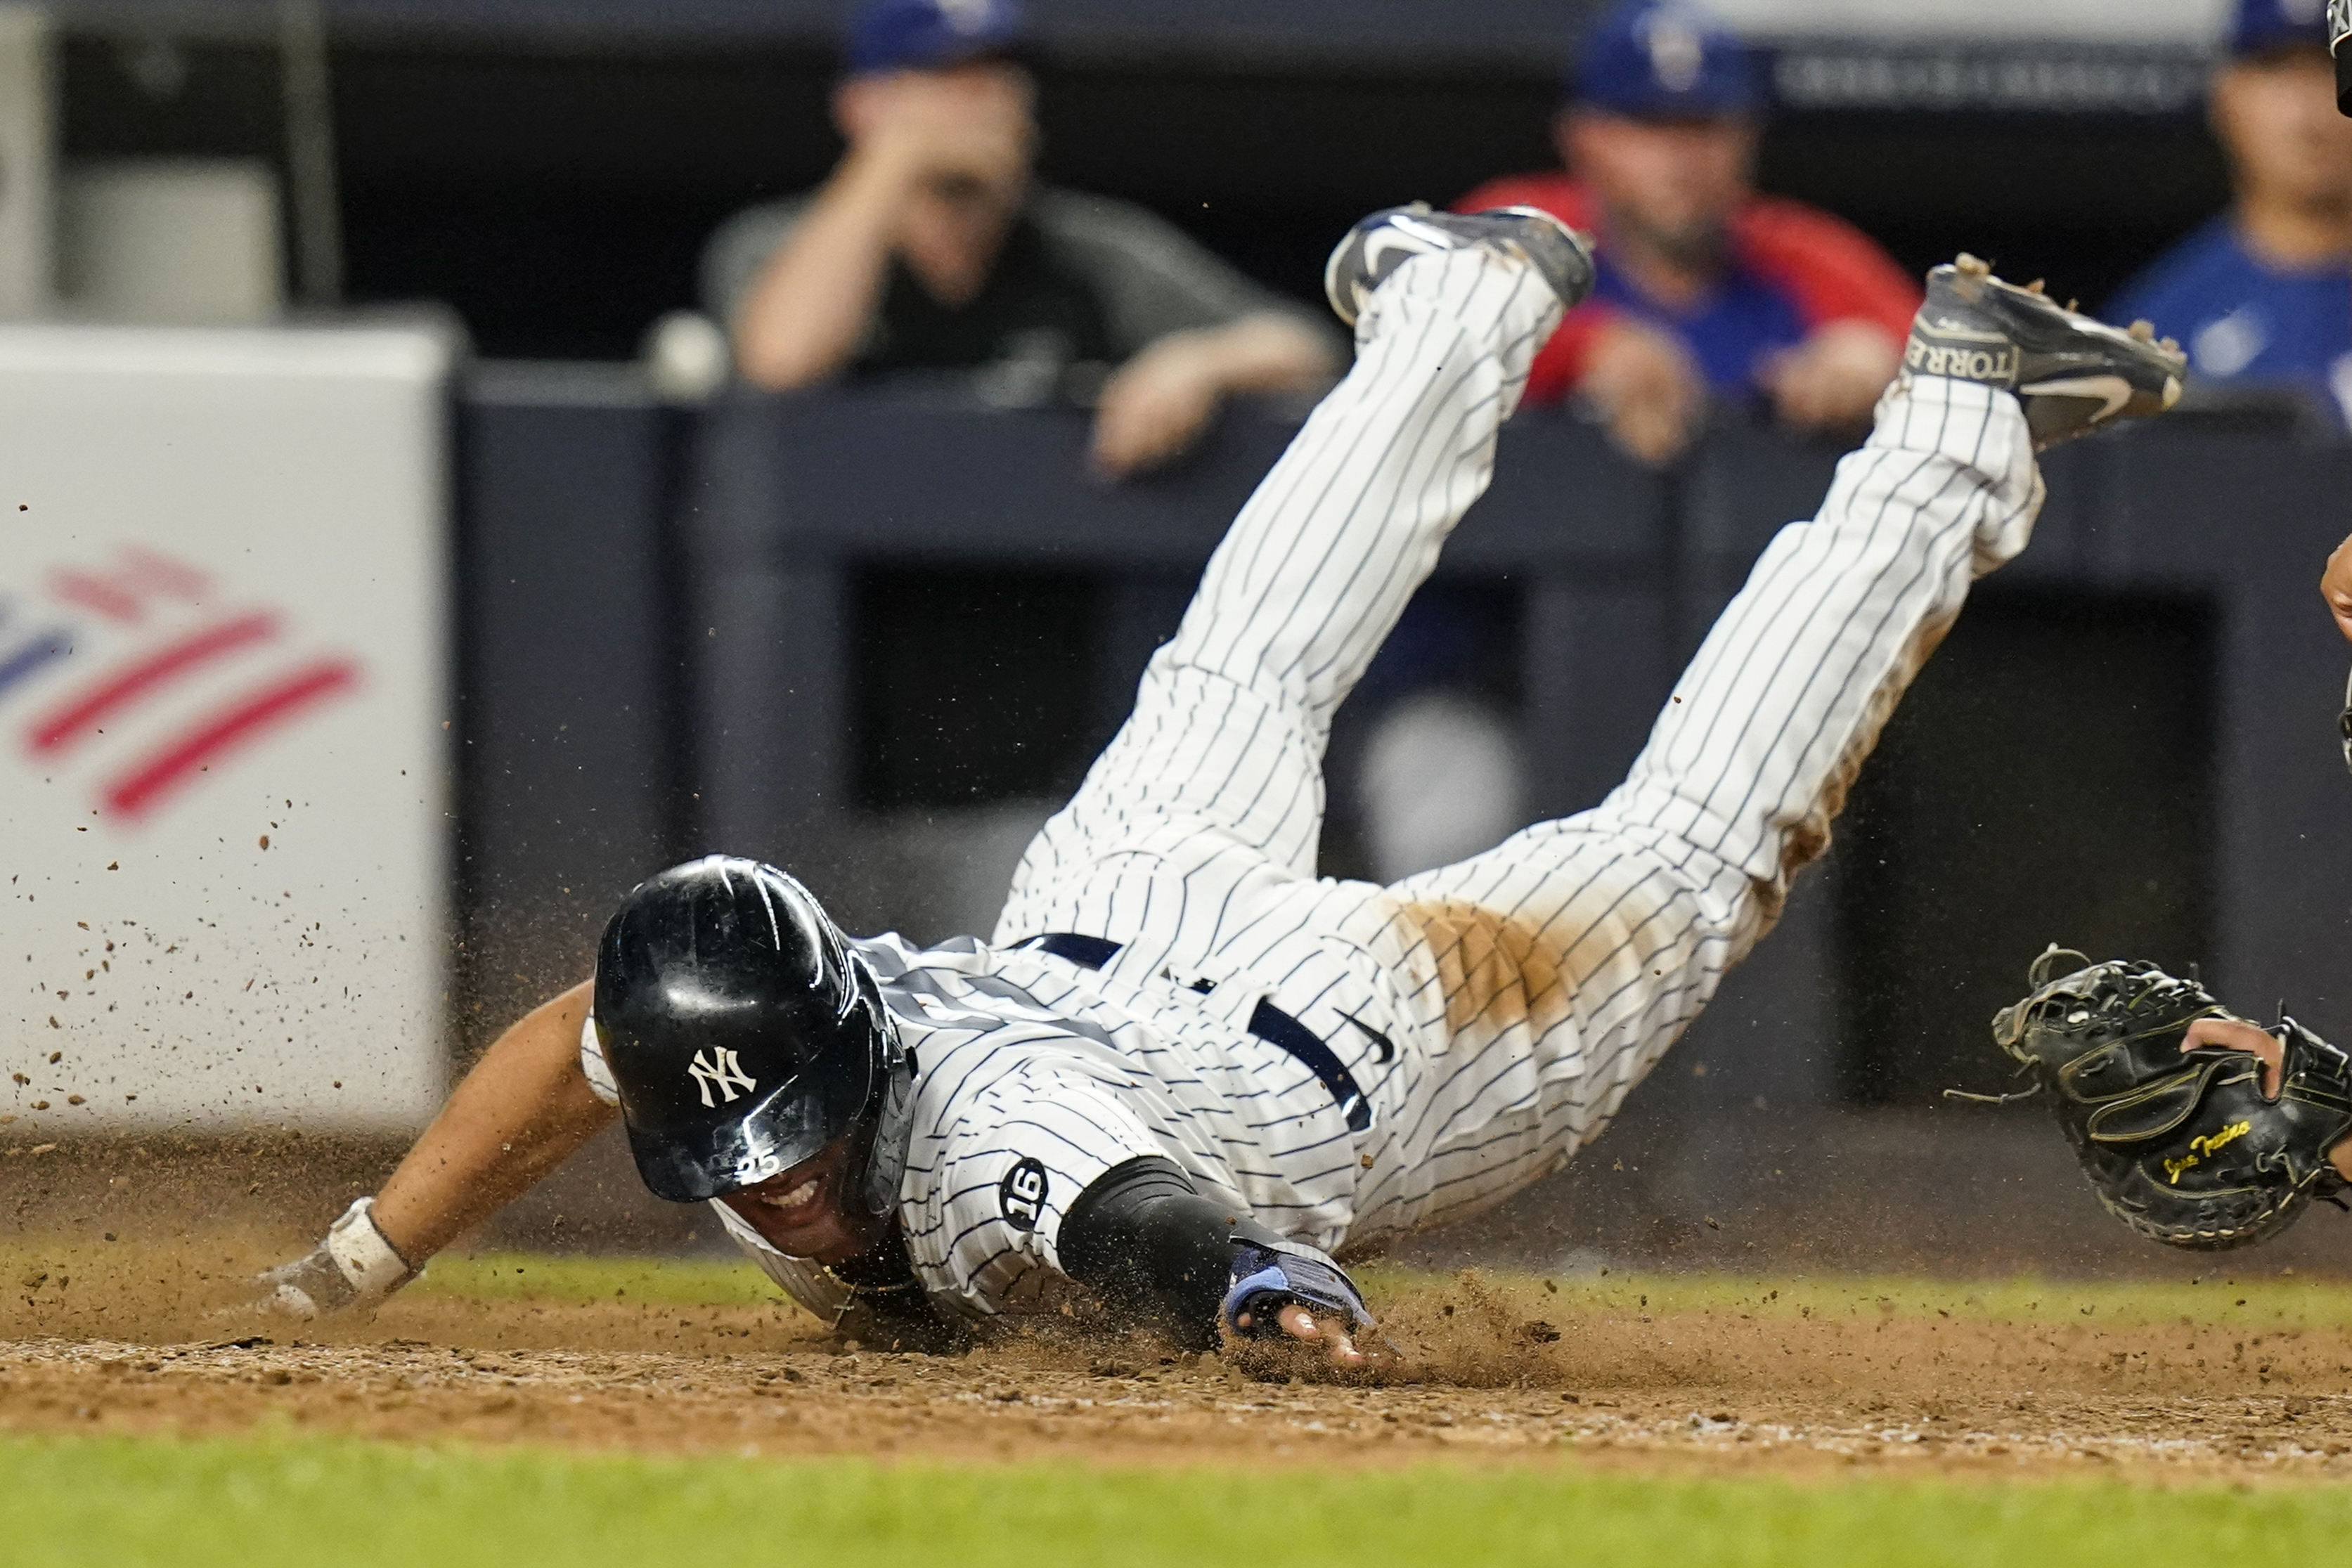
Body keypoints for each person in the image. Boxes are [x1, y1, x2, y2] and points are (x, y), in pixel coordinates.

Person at [250, 209, 2184, 1363]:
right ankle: (1459, 301)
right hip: (1114, 906)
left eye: (802, 1142)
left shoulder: (972, 1132)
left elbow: (1141, 1218)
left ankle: (1959, 410)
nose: (790, 1187)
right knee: (1242, 661)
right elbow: (578, 1035)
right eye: (746, 1157)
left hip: (1350, 1049)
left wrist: (1249, 1288)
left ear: (846, 1052)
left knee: (1690, 850)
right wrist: (366, 1253)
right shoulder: (748, 1028)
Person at [702, 0, 1340, 479]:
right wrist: (892, 160)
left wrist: (1199, 362)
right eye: (949, 77)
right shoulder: (779, 242)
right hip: (835, 596)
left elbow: (1305, 348)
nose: (987, 100)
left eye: (1001, 76)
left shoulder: (1090, 248)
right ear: (862, 106)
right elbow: (782, 364)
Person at [1456, 0, 1919, 465]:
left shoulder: (1792, 249)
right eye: (1649, 125)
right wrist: (1584, 349)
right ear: (1583, 137)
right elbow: (1429, 338)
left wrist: (1879, 364)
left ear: (1747, 137)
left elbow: (1948, 364)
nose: (1680, 159)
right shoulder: (1524, 229)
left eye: (1703, 127)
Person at [2108, 0, 2352, 428]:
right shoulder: (2156, 329)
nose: (2310, 110)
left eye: (2333, 65)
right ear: (2225, 96)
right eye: (2275, 69)